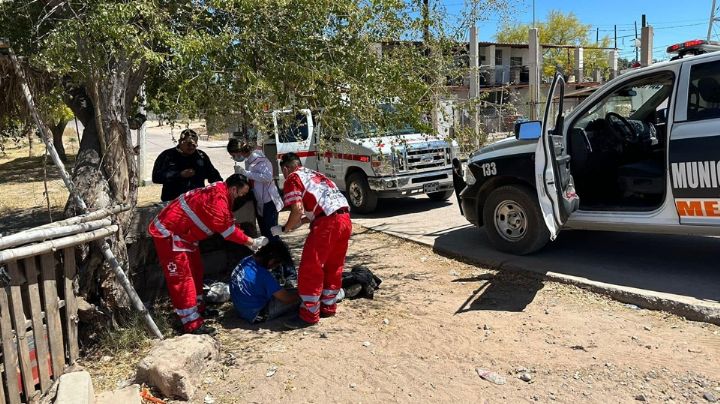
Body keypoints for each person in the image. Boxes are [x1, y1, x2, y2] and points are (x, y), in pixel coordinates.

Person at [148, 174, 269, 335]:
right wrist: (251, 242)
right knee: (183, 279)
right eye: (241, 193)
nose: (242, 197)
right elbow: (228, 231)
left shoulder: (221, 192)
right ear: (234, 188)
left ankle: (198, 309)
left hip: (185, 235)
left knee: (196, 271)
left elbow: (227, 221)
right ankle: (191, 324)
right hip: (170, 233)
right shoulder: (218, 199)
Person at [272, 152, 352, 328]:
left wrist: (285, 228)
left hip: (327, 224)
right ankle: (328, 306)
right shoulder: (314, 175)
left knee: (311, 267)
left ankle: (308, 314)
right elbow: (314, 210)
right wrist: (298, 224)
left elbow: (297, 209)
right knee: (334, 264)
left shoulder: (292, 178)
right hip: (344, 219)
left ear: (286, 169)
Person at [229, 240, 300, 323]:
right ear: (272, 260)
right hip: (258, 314)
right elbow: (287, 299)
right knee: (302, 297)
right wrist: (304, 295)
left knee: (291, 292)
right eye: (277, 263)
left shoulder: (246, 260)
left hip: (242, 310)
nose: (275, 267)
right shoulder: (263, 274)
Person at [226, 138, 283, 239]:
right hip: (260, 199)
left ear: (239, 152)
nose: (234, 158)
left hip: (269, 200)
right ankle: (269, 252)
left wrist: (245, 173)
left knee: (272, 232)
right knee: (264, 232)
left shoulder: (260, 159)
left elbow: (267, 177)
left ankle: (277, 252)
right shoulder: (249, 160)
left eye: (234, 155)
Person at [152, 128, 222, 202]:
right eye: (188, 144)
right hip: (173, 201)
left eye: (194, 145)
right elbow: (156, 177)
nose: (191, 147)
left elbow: (213, 176)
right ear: (180, 142)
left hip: (196, 201)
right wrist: (179, 174)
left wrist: (219, 190)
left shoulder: (201, 156)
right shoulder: (167, 156)